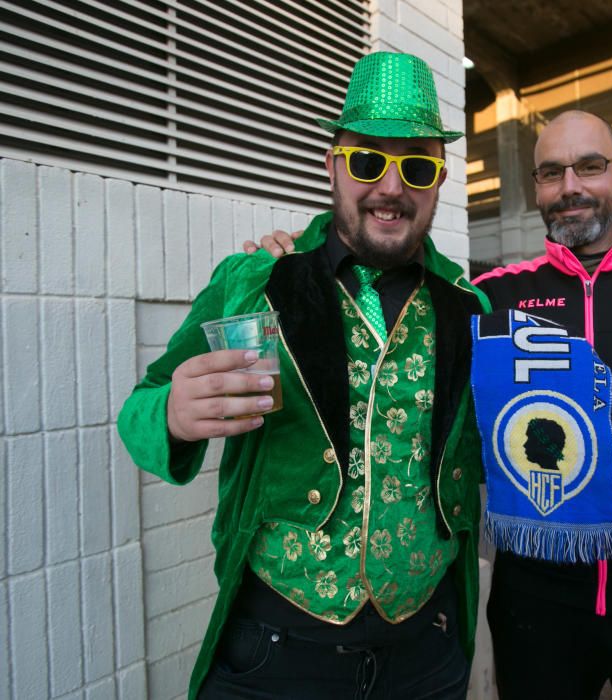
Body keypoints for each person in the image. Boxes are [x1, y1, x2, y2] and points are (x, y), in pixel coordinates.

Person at [249, 110, 612, 699]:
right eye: (551, 173)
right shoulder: (492, 297)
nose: (571, 186)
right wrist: (296, 255)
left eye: (591, 167)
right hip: (538, 607)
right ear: (536, 190)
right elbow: (380, 279)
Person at [117, 51, 489, 700]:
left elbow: (482, 459)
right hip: (275, 658)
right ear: (332, 165)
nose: (391, 188)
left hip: (426, 657)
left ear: (439, 178)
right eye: (367, 160)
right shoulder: (256, 281)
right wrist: (172, 416)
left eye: (417, 164)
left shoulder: (468, 308)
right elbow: (139, 408)